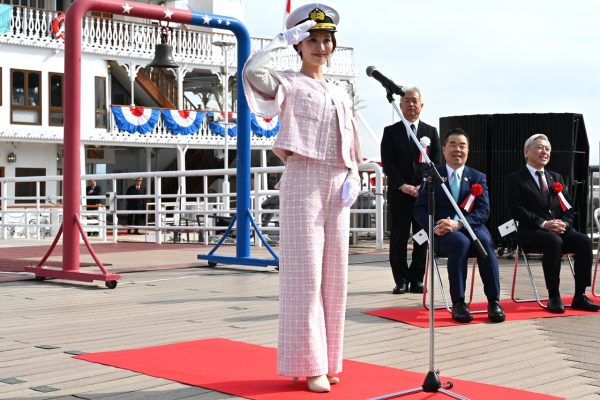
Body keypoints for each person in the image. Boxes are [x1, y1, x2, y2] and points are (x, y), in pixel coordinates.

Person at [243, 3, 361, 393]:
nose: (321, 47)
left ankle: (329, 359)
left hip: (336, 181)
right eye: (312, 40)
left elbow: (352, 141)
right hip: (303, 180)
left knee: (335, 277)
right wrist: (280, 41)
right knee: (305, 277)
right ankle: (310, 365)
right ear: (299, 44)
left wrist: (355, 173)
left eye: (326, 40)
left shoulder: (339, 92)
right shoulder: (288, 82)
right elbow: (252, 74)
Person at [414, 128, 504, 323]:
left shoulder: (477, 177)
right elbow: (419, 209)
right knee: (459, 243)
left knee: (485, 242)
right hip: (443, 230)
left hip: (471, 227)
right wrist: (432, 227)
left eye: (462, 145)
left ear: (468, 150)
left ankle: (494, 301)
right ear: (444, 149)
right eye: (453, 144)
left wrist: (460, 223)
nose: (458, 149)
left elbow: (483, 211)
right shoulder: (432, 175)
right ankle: (459, 303)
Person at [505, 133, 600, 313]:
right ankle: (554, 296)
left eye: (548, 149)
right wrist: (543, 224)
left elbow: (569, 208)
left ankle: (580, 295)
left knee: (584, 241)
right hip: (532, 231)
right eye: (540, 147)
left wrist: (563, 223)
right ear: (526, 152)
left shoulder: (556, 178)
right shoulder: (516, 179)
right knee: (553, 241)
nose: (545, 152)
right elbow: (516, 209)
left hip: (559, 229)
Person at [381, 87, 441, 295]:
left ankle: (416, 279)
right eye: (406, 100)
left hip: (422, 196)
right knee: (398, 239)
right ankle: (400, 280)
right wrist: (402, 185)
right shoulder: (391, 132)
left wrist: (421, 186)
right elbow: (388, 163)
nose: (411, 104)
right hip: (399, 195)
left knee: (421, 238)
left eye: (415, 100)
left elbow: (436, 164)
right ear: (400, 104)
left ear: (421, 105)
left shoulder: (431, 132)